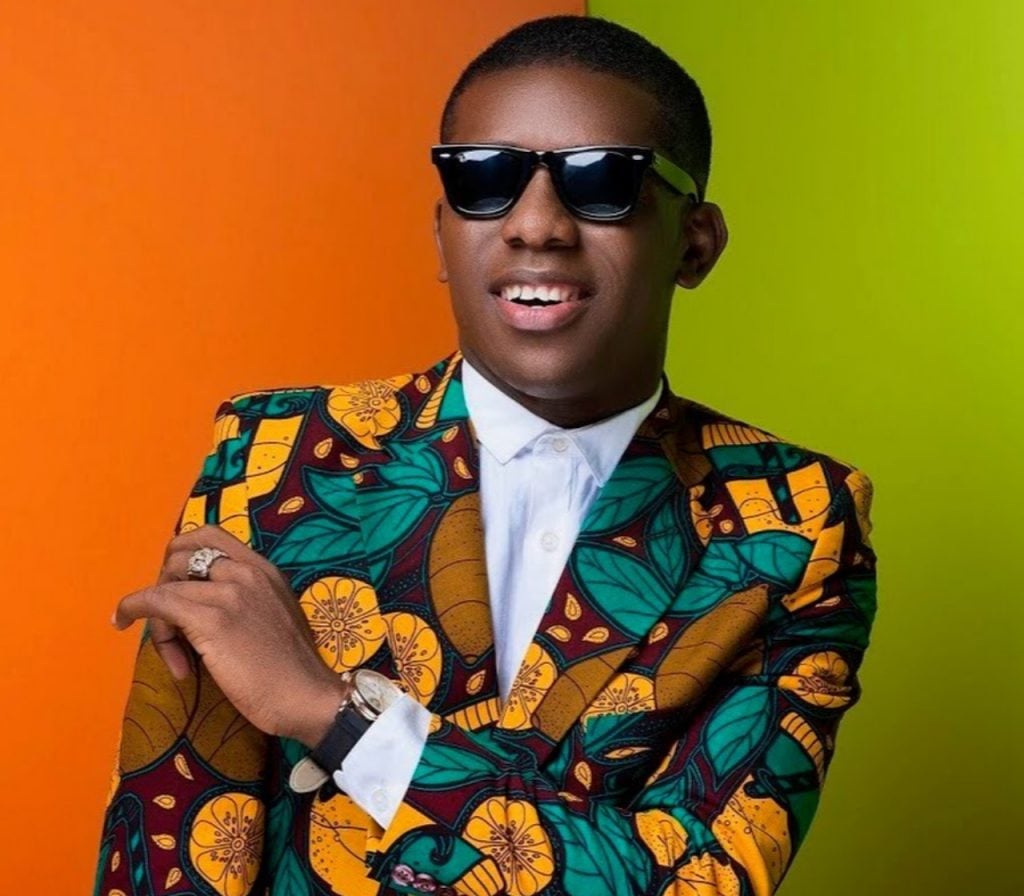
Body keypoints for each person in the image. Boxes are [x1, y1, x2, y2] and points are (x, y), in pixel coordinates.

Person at [93, 14, 877, 896]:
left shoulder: (794, 521)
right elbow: (174, 845)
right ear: (442, 235)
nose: (535, 224)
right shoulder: (277, 457)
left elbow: (702, 881)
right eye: (485, 178)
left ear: (695, 243)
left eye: (603, 182)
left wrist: (334, 717)